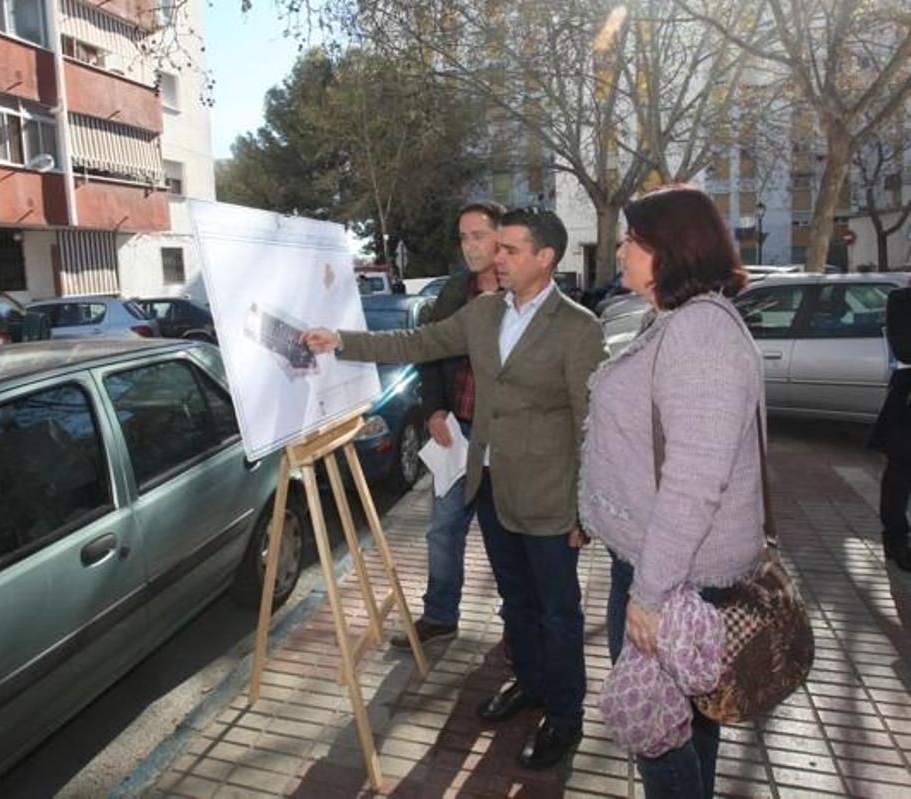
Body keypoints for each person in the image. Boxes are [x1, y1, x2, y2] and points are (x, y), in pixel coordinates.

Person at [304, 207, 606, 770]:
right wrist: (338, 341)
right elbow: (416, 341)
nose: (498, 258)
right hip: (487, 484)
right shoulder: (484, 311)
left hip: (548, 496)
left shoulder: (578, 328)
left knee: (558, 613)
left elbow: (593, 423)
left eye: (511, 249)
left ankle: (565, 715)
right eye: (499, 248)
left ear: (546, 258)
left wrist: (583, 511)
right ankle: (531, 684)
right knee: (516, 603)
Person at [579, 185, 766, 798]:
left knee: (656, 734)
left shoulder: (699, 336)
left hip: (672, 575)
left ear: (672, 251)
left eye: (635, 240)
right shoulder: (676, 322)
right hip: (663, 564)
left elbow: (693, 481)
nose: (623, 250)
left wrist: (650, 595)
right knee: (689, 722)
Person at [390, 201, 504, 651]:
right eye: (463, 237)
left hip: (504, 439)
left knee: (505, 538)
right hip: (456, 433)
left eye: (479, 235)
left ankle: (516, 621)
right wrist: (435, 410)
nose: (469, 245)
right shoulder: (455, 291)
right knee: (443, 530)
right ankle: (440, 616)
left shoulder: (522, 291)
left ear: (501, 237)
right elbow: (430, 354)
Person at [869, 285, 911, 572]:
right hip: (906, 405)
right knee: (900, 472)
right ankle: (896, 538)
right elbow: (904, 347)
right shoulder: (901, 300)